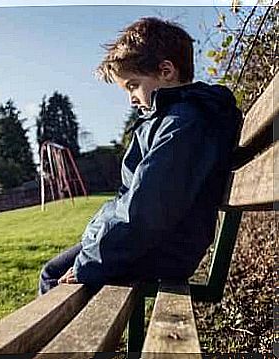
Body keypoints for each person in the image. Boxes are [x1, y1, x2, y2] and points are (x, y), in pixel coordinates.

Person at [38, 17, 242, 295]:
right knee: (54, 271)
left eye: (133, 85)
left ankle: (75, 341)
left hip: (161, 250)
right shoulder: (170, 119)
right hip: (151, 244)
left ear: (166, 71)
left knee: (54, 277)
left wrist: (90, 262)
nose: (131, 99)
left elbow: (149, 209)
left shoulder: (184, 123)